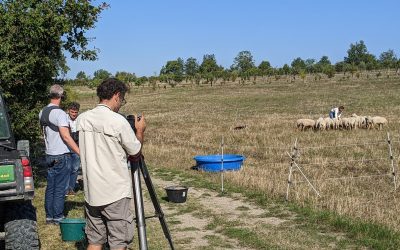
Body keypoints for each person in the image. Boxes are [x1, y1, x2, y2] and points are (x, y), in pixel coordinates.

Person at [77, 78, 146, 250]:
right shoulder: (118, 121)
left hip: (92, 192)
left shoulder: (83, 119)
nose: (121, 103)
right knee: (118, 243)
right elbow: (135, 152)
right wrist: (139, 131)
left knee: (94, 241)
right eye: (122, 99)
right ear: (116, 95)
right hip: (114, 193)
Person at [39, 84, 80, 225]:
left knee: (51, 186)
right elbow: (66, 136)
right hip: (61, 155)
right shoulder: (60, 114)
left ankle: (49, 217)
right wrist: (80, 152)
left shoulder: (42, 111)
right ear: (61, 96)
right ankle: (58, 217)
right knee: (60, 187)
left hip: (49, 154)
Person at [66, 102, 81, 196]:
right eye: (72, 112)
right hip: (67, 147)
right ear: (68, 111)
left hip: (77, 146)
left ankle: (71, 188)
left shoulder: (80, 120)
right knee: (66, 168)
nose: (74, 114)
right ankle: (65, 188)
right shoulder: (64, 119)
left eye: (76, 112)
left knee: (75, 169)